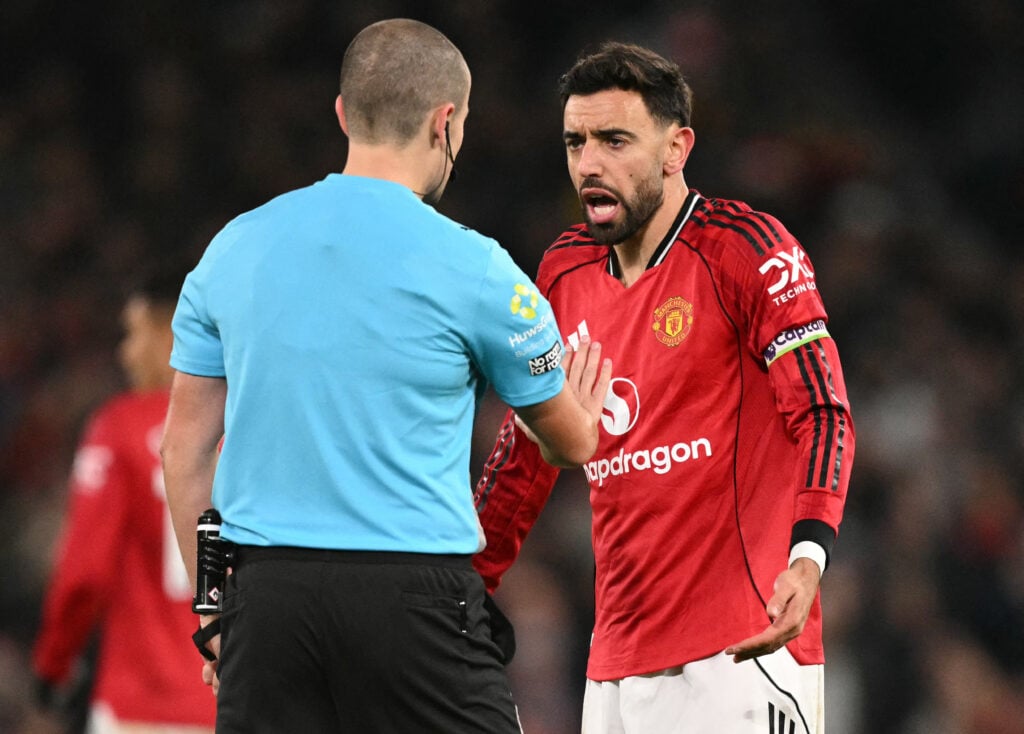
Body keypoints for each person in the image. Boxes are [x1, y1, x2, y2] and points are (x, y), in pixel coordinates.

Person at [160, 18, 611, 734]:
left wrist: (216, 606)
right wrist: (582, 412)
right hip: (413, 600)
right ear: (447, 123)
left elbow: (183, 454)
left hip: (268, 604)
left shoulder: (231, 249)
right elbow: (568, 442)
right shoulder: (479, 267)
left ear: (343, 113)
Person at [473, 42, 856, 734]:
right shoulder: (562, 273)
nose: (589, 163)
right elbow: (524, 450)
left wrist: (807, 560)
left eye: (615, 140)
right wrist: (467, 584)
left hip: (743, 650)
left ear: (676, 148)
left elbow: (824, 414)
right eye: (575, 141)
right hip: (614, 667)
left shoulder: (749, 250)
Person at [32, 262, 217, 734]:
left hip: (141, 705)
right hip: (231, 703)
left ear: (168, 333)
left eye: (133, 334)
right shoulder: (247, 430)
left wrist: (53, 666)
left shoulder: (119, 428)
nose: (126, 353)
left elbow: (83, 575)